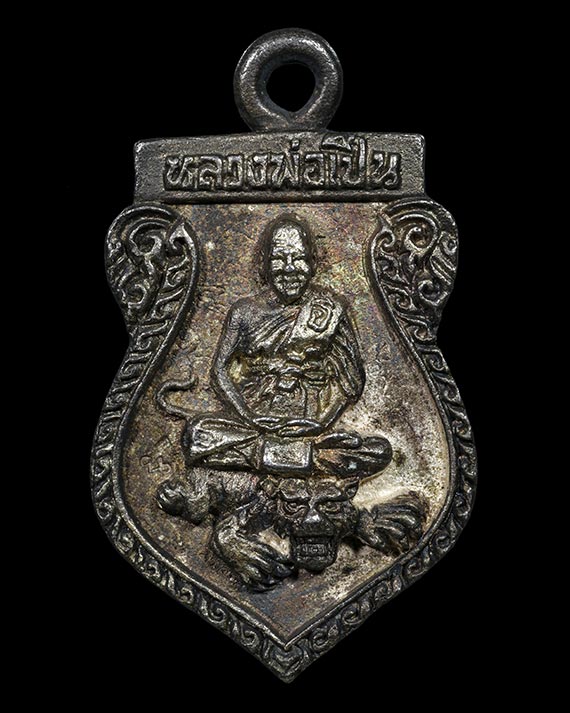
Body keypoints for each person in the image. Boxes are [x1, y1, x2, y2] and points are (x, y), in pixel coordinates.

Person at [183, 216, 390, 478]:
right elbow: (219, 371)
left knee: (379, 451)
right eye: (279, 259)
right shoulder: (244, 312)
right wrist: (248, 416)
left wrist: (320, 423)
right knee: (197, 434)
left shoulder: (331, 309)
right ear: (264, 265)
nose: (289, 269)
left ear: (313, 263)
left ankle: (272, 456)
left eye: (298, 258)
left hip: (311, 420)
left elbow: (350, 381)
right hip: (255, 420)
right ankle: (308, 459)